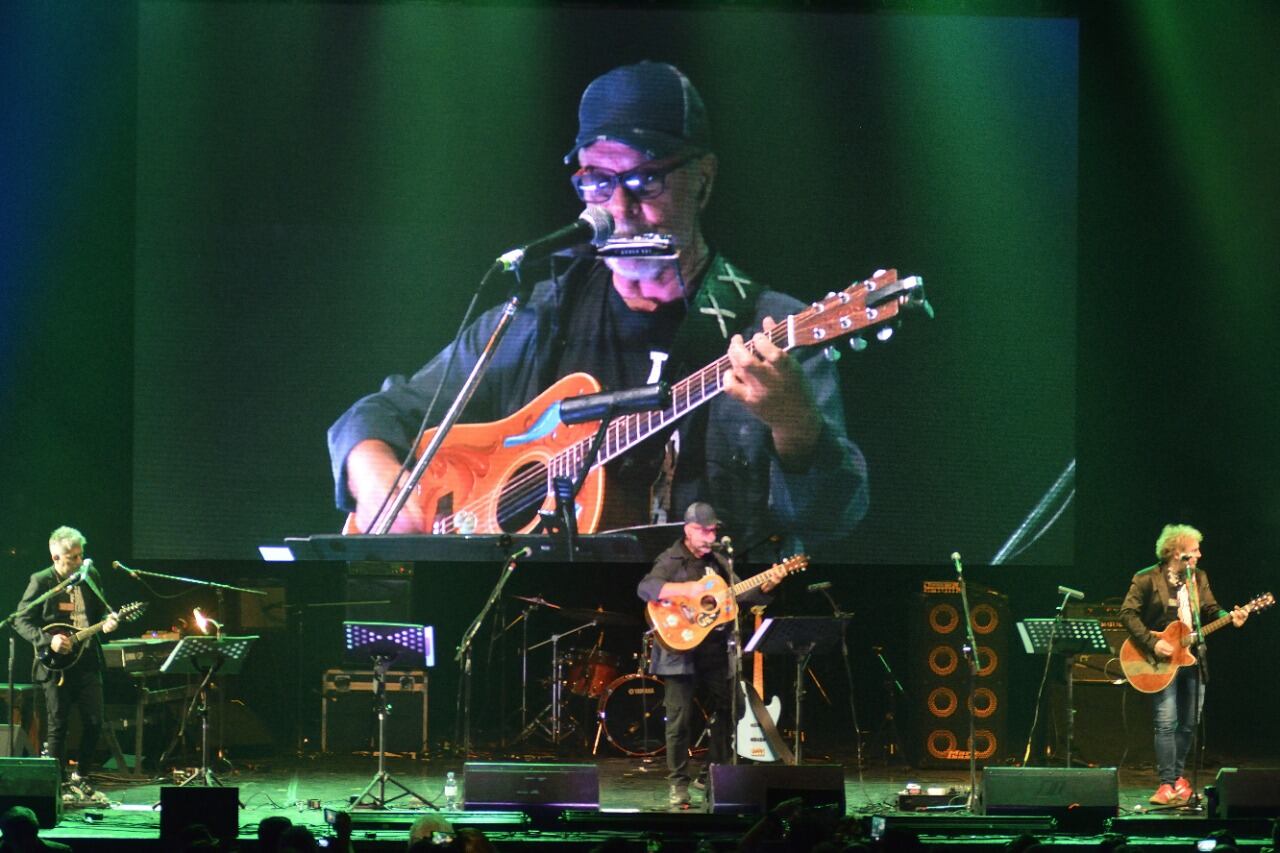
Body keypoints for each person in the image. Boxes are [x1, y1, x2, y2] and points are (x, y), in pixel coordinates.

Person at [328, 60, 868, 557]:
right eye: (597, 182)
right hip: (532, 627)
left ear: (702, 180)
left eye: (644, 179)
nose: (620, 208)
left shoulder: (769, 331)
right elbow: (381, 413)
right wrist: (375, 475)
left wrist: (795, 426)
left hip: (706, 632)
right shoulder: (539, 317)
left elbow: (833, 518)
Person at [637, 501, 786, 807]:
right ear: (688, 529)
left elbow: (738, 597)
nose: (709, 536)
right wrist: (688, 590)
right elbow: (647, 589)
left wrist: (768, 584)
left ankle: (712, 772)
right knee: (679, 721)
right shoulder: (671, 559)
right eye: (703, 530)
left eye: (712, 530)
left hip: (715, 651)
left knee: (736, 708)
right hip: (679, 651)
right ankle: (678, 783)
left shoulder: (720, 562)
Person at [1118, 523, 1247, 806]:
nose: (1199, 554)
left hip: (1192, 658)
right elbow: (1127, 614)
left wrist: (1231, 615)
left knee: (1189, 724)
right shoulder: (1146, 578)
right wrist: (1153, 643)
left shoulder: (1198, 578)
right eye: (1194, 550)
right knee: (1165, 723)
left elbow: (1212, 609)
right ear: (1177, 552)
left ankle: (1177, 778)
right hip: (1160, 661)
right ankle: (1166, 783)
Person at [11, 527, 118, 807]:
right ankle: (58, 786)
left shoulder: (90, 575)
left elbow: (103, 610)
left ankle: (81, 776)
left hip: (87, 660)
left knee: (95, 721)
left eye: (80, 555)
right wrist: (48, 640)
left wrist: (109, 620)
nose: (78, 561)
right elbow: (20, 620)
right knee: (57, 728)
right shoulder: (42, 581)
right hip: (55, 666)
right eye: (71, 557)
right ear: (55, 556)